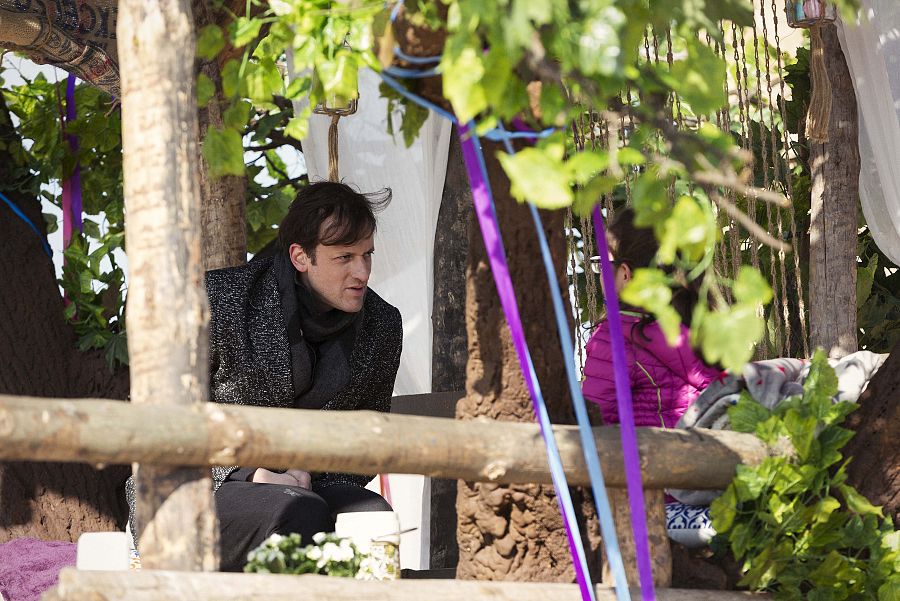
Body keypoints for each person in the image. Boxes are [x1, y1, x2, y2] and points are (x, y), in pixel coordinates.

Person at [127, 181, 403, 571]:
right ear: (301, 256)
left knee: (371, 517)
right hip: (196, 485)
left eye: (366, 255)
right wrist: (251, 474)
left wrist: (305, 475)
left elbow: (367, 442)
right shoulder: (216, 300)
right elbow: (160, 425)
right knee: (297, 511)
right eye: (344, 257)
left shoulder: (382, 324)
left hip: (311, 485)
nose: (362, 272)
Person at [581, 208, 721, 428]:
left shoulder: (615, 339)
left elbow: (592, 423)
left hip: (643, 451)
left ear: (625, 274)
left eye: (603, 264)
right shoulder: (710, 333)